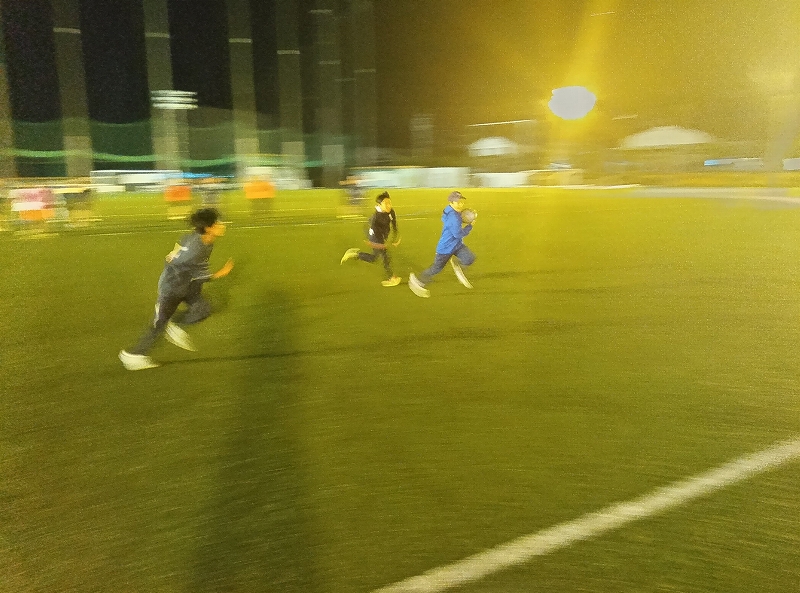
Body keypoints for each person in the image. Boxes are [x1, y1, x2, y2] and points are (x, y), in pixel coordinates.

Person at [119, 208, 234, 370]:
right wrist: (222, 272)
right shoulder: (197, 249)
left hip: (186, 284)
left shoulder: (196, 238)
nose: (222, 225)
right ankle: (133, 355)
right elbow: (201, 274)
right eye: (218, 223)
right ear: (209, 228)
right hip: (172, 289)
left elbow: (174, 255)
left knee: (203, 309)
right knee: (159, 324)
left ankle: (174, 325)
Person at [408, 191, 475, 298]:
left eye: (462, 202)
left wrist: (462, 218)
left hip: (457, 245)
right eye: (458, 202)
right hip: (446, 248)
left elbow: (449, 220)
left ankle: (457, 264)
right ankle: (417, 281)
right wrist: (469, 226)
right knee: (436, 268)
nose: (461, 204)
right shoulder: (454, 217)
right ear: (451, 202)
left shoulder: (450, 211)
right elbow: (457, 234)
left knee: (469, 258)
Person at [340, 191, 402, 287]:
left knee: (374, 258)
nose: (389, 205)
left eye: (390, 203)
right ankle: (391, 278)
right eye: (386, 203)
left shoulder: (391, 212)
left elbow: (394, 225)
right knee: (385, 256)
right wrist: (380, 244)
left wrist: (394, 238)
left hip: (382, 235)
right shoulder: (376, 217)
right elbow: (374, 233)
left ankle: (356, 254)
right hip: (374, 236)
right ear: (379, 205)